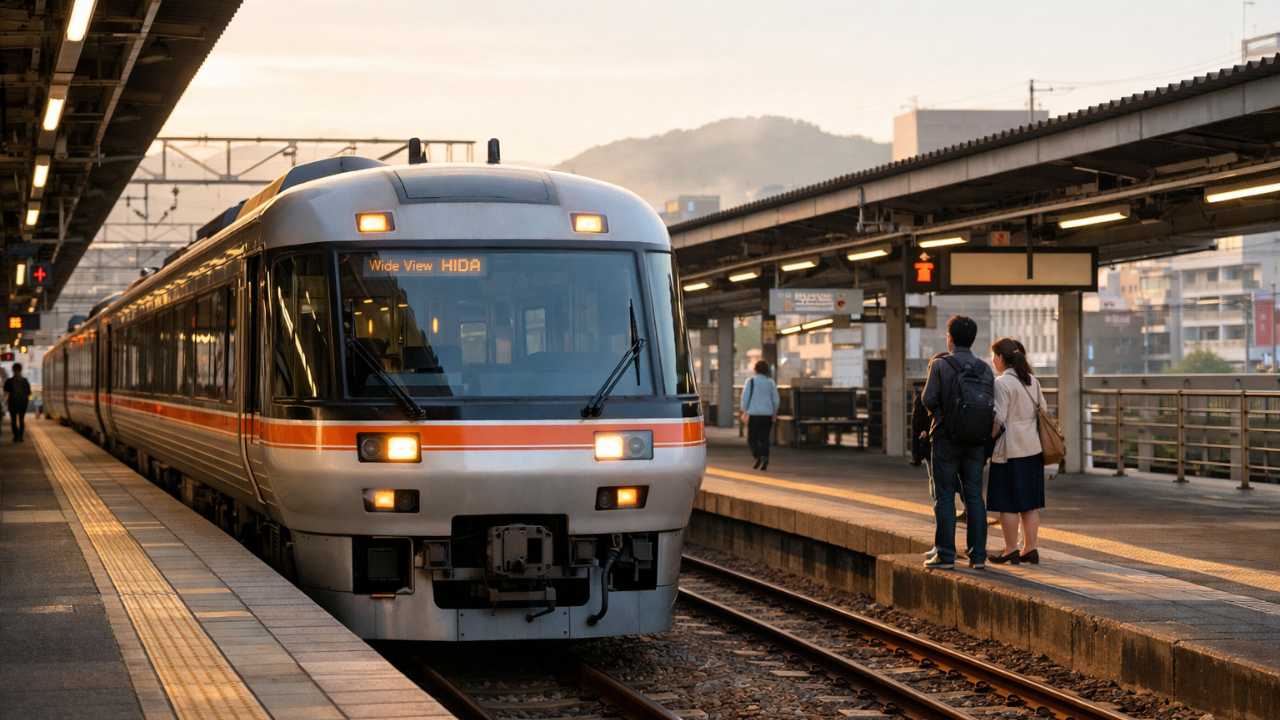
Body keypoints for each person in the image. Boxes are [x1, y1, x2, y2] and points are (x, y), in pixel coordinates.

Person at [922, 316, 993, 570]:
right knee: (974, 496)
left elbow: (928, 398)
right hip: (976, 441)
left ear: (950, 338)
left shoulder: (941, 365)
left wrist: (941, 418)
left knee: (944, 496)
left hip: (946, 439)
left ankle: (945, 554)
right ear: (972, 339)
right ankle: (978, 556)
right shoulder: (985, 368)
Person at [987, 337, 1046, 565]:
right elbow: (1044, 411)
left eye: (994, 356)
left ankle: (1011, 548)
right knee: (1029, 503)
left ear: (1001, 358)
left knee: (1007, 503)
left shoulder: (1001, 383)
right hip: (1033, 449)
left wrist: (986, 442)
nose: (993, 361)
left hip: (1010, 452)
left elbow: (999, 419)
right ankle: (1030, 548)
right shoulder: (1032, 380)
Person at [740, 360, 779, 471]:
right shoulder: (770, 382)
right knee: (764, 439)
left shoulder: (750, 381)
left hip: (754, 414)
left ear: (755, 369)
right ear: (767, 370)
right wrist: (774, 412)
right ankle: (765, 458)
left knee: (752, 439)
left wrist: (744, 410)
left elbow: (745, 398)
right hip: (767, 415)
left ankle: (758, 456)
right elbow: (776, 399)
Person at [4, 362, 32, 442]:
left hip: (12, 403)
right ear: (21, 370)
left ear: (13, 370)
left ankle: (16, 436)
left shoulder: (9, 381)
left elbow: (6, 391)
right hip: (22, 404)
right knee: (21, 420)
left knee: (14, 420)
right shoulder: (25, 381)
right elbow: (29, 392)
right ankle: (20, 436)